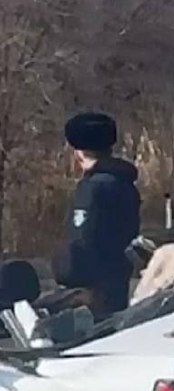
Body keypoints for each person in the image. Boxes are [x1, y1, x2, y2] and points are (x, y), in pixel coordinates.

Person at [53, 112, 141, 318]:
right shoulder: (125, 183)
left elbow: (80, 245)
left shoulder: (92, 189)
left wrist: (60, 268)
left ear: (78, 153)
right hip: (117, 284)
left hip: (89, 295)